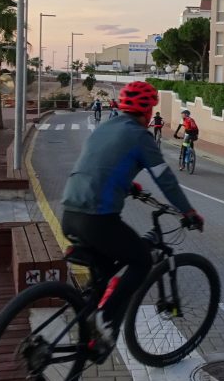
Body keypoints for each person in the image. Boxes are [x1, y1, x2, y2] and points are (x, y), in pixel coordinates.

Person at [60, 81, 205, 362]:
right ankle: (103, 320)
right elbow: (165, 179)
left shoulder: (105, 127)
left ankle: (92, 335)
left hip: (70, 214)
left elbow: (99, 168)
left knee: (103, 273)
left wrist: (129, 186)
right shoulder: (141, 137)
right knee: (141, 260)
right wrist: (188, 212)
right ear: (148, 111)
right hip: (98, 220)